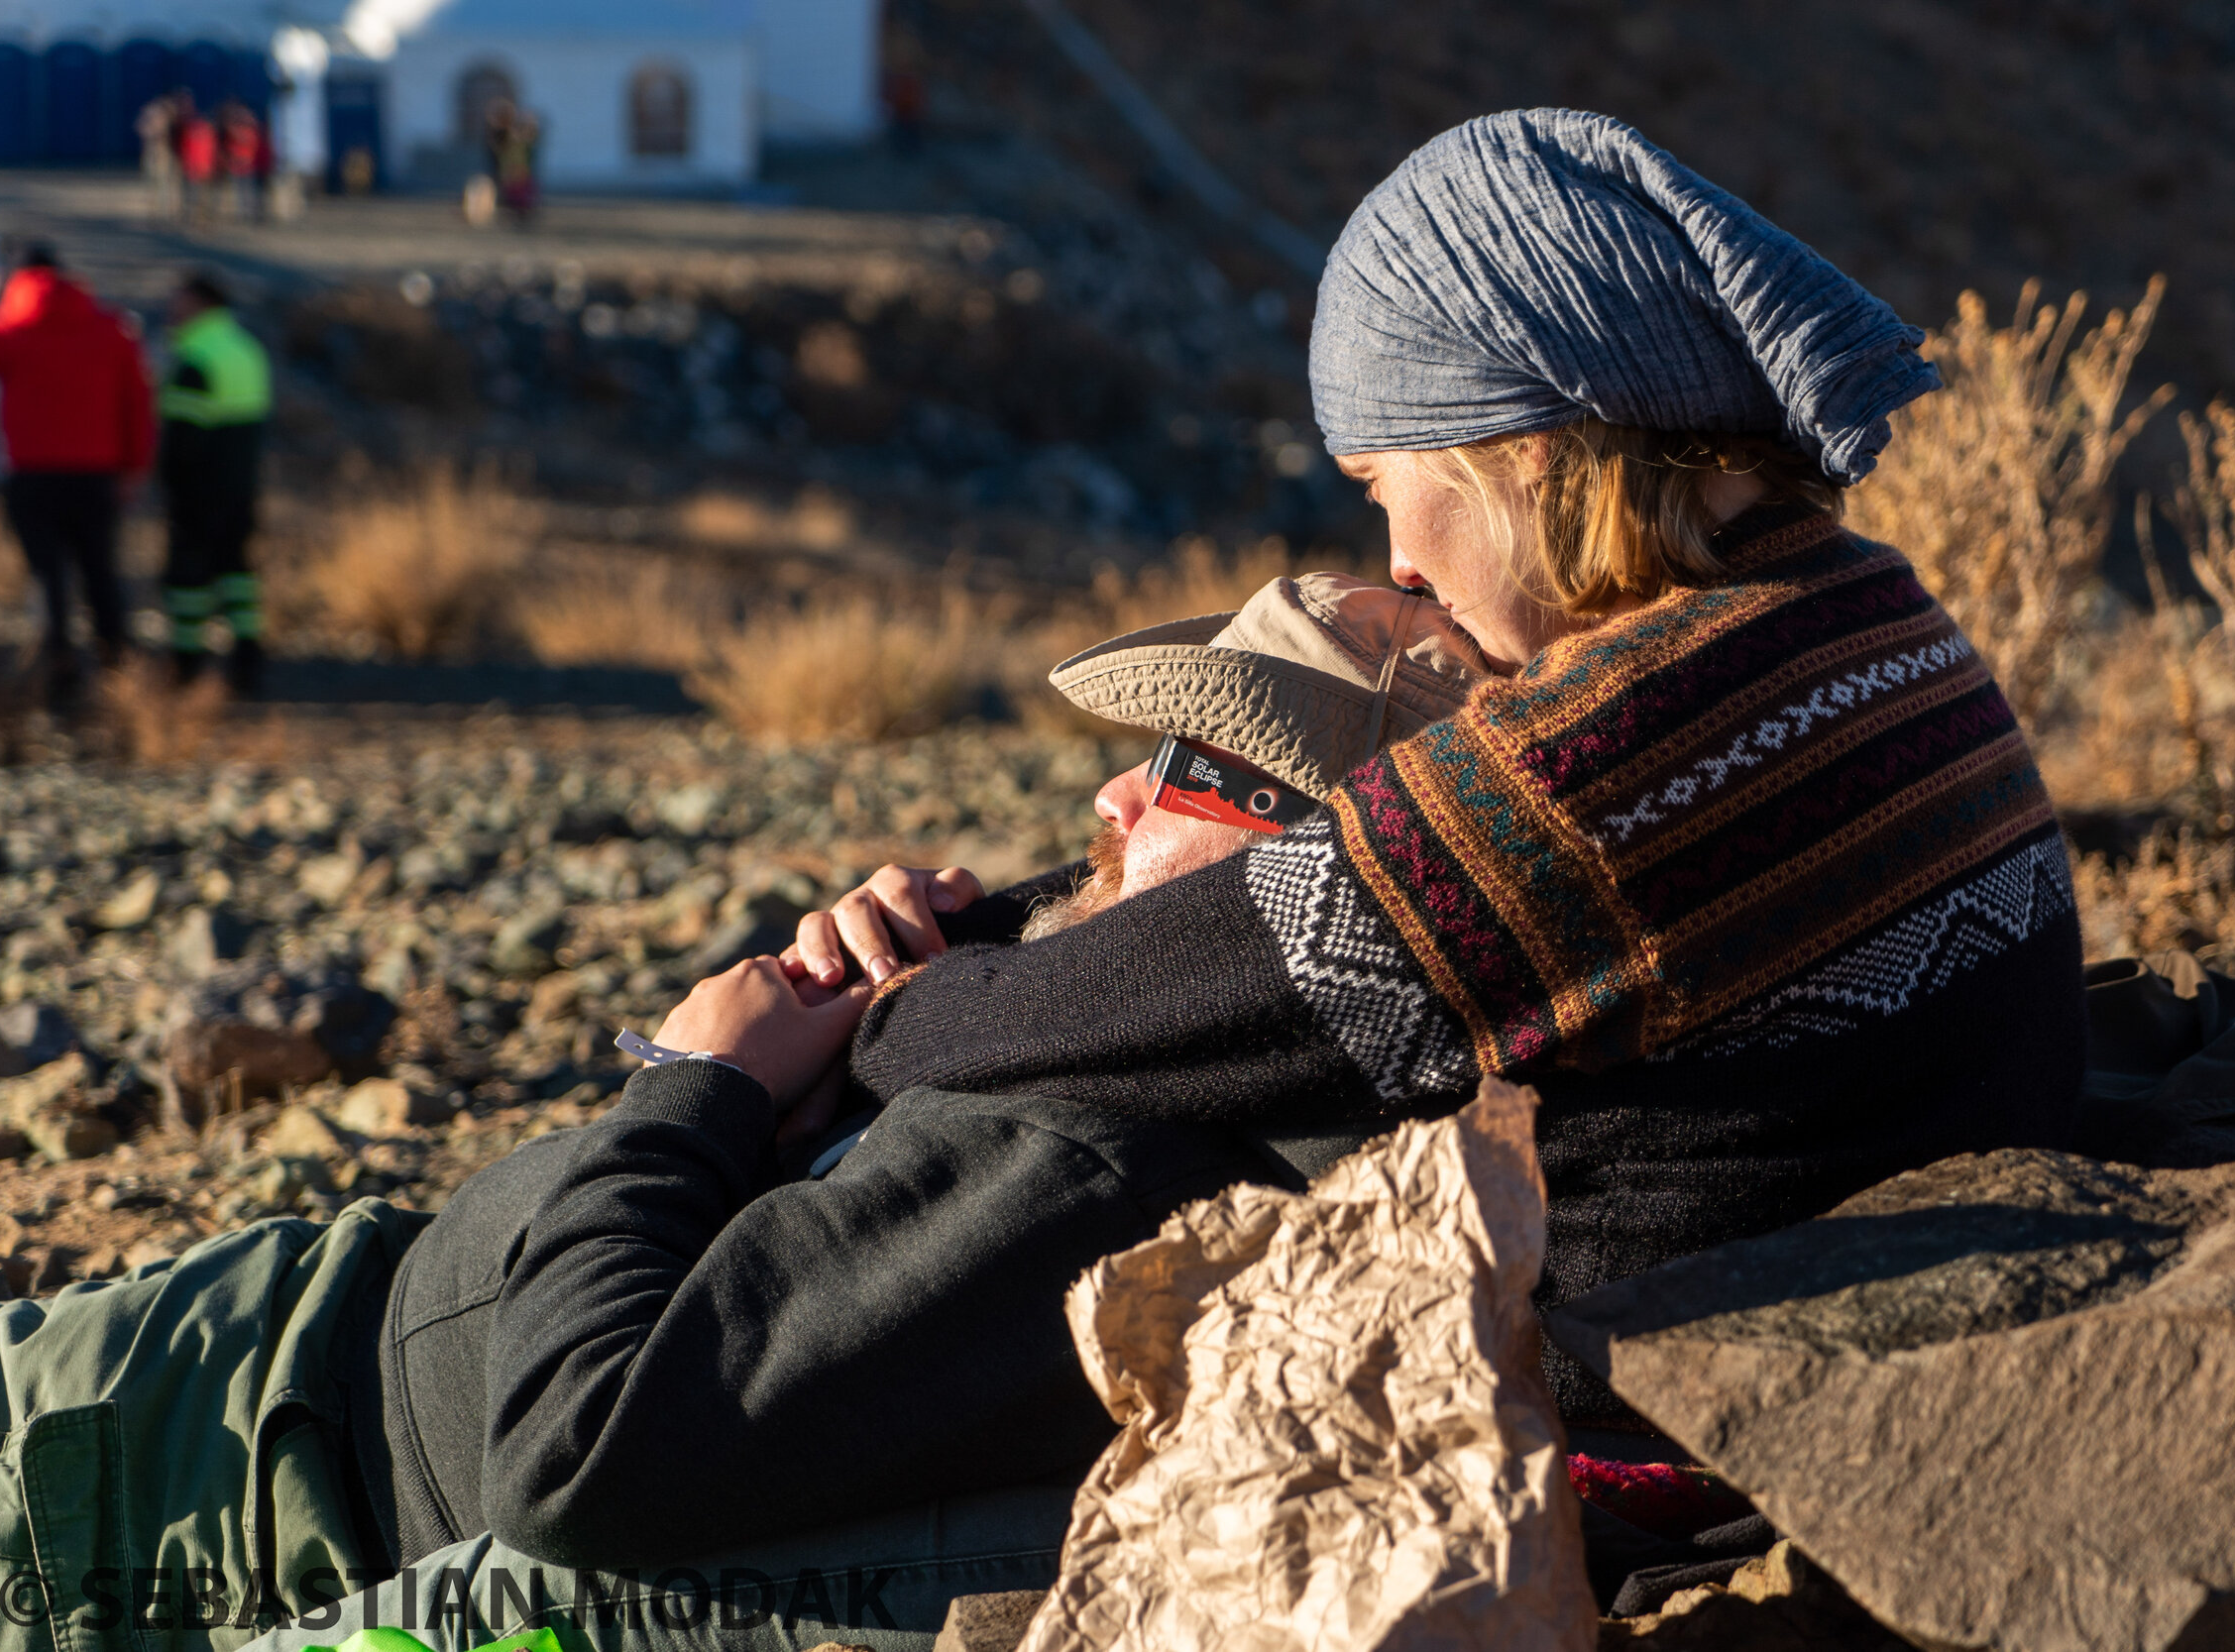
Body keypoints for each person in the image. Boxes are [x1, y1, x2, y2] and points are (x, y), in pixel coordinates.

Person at [811, 108, 2091, 1427]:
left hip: (1664, 1464)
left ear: (1520, 447)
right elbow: (1273, 913)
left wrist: (871, 999)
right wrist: (989, 918)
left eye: (1381, 479)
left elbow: (1122, 1010)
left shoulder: (1585, 777)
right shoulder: (1853, 602)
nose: (1400, 559)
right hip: (1880, 1348)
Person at [0, 576, 1488, 1649]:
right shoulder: (1111, 1037)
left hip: (238, 1467)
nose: (1110, 791)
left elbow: (575, 1444)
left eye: (1195, 768)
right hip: (305, 1327)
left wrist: (689, 1093)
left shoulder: (1099, 1154)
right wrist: (903, 993)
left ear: (1286, 892)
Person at [0, 243, 154, 708]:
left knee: (48, 575)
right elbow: (137, 408)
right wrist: (133, 470)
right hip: (96, 473)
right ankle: (115, 664)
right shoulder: (112, 330)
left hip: (29, 474)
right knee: (100, 569)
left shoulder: (7, 332)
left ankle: (59, 668)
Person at [157, 270, 272, 693]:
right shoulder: (247, 349)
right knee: (237, 572)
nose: (172, 308)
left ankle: (187, 666)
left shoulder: (196, 359)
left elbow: (182, 438)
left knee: (188, 580)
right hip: (241, 485)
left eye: (180, 300)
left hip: (198, 490)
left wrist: (168, 483)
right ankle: (248, 654)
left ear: (201, 304)